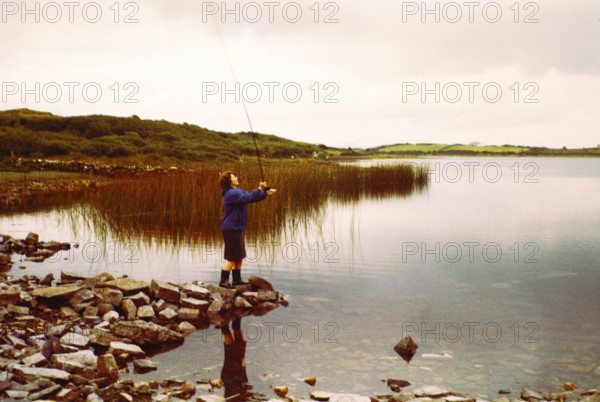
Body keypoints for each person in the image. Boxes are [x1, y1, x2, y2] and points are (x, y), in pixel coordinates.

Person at [219, 171, 276, 288]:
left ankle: (237, 280)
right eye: (234, 177)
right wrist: (260, 188)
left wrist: (264, 193)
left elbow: (250, 198)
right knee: (232, 256)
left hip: (236, 227)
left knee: (239, 255)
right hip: (231, 228)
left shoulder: (236, 192)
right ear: (229, 181)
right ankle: (223, 281)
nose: (236, 177)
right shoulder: (231, 193)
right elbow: (249, 197)